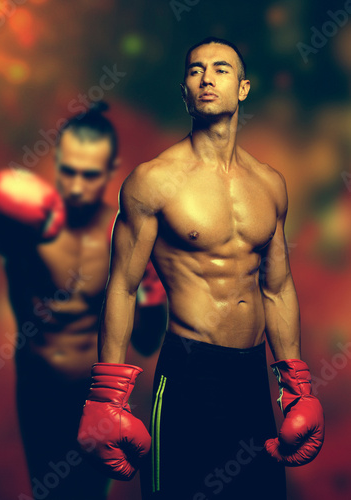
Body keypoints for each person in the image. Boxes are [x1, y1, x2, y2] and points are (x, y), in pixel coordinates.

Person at [78, 39, 325, 500]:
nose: (207, 78)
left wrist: (296, 388)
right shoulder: (153, 181)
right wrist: (106, 395)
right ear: (185, 91)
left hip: (252, 378)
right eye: (195, 71)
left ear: (244, 88)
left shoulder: (269, 184)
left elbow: (277, 287)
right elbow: (121, 287)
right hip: (189, 376)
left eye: (221, 69)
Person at [0, 102, 166, 500]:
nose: (77, 185)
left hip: (96, 395)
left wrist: (150, 288)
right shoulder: (26, 224)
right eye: (68, 171)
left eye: (90, 174)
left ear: (111, 169)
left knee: (89, 496)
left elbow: (149, 340)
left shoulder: (121, 234)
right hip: (39, 388)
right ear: (57, 160)